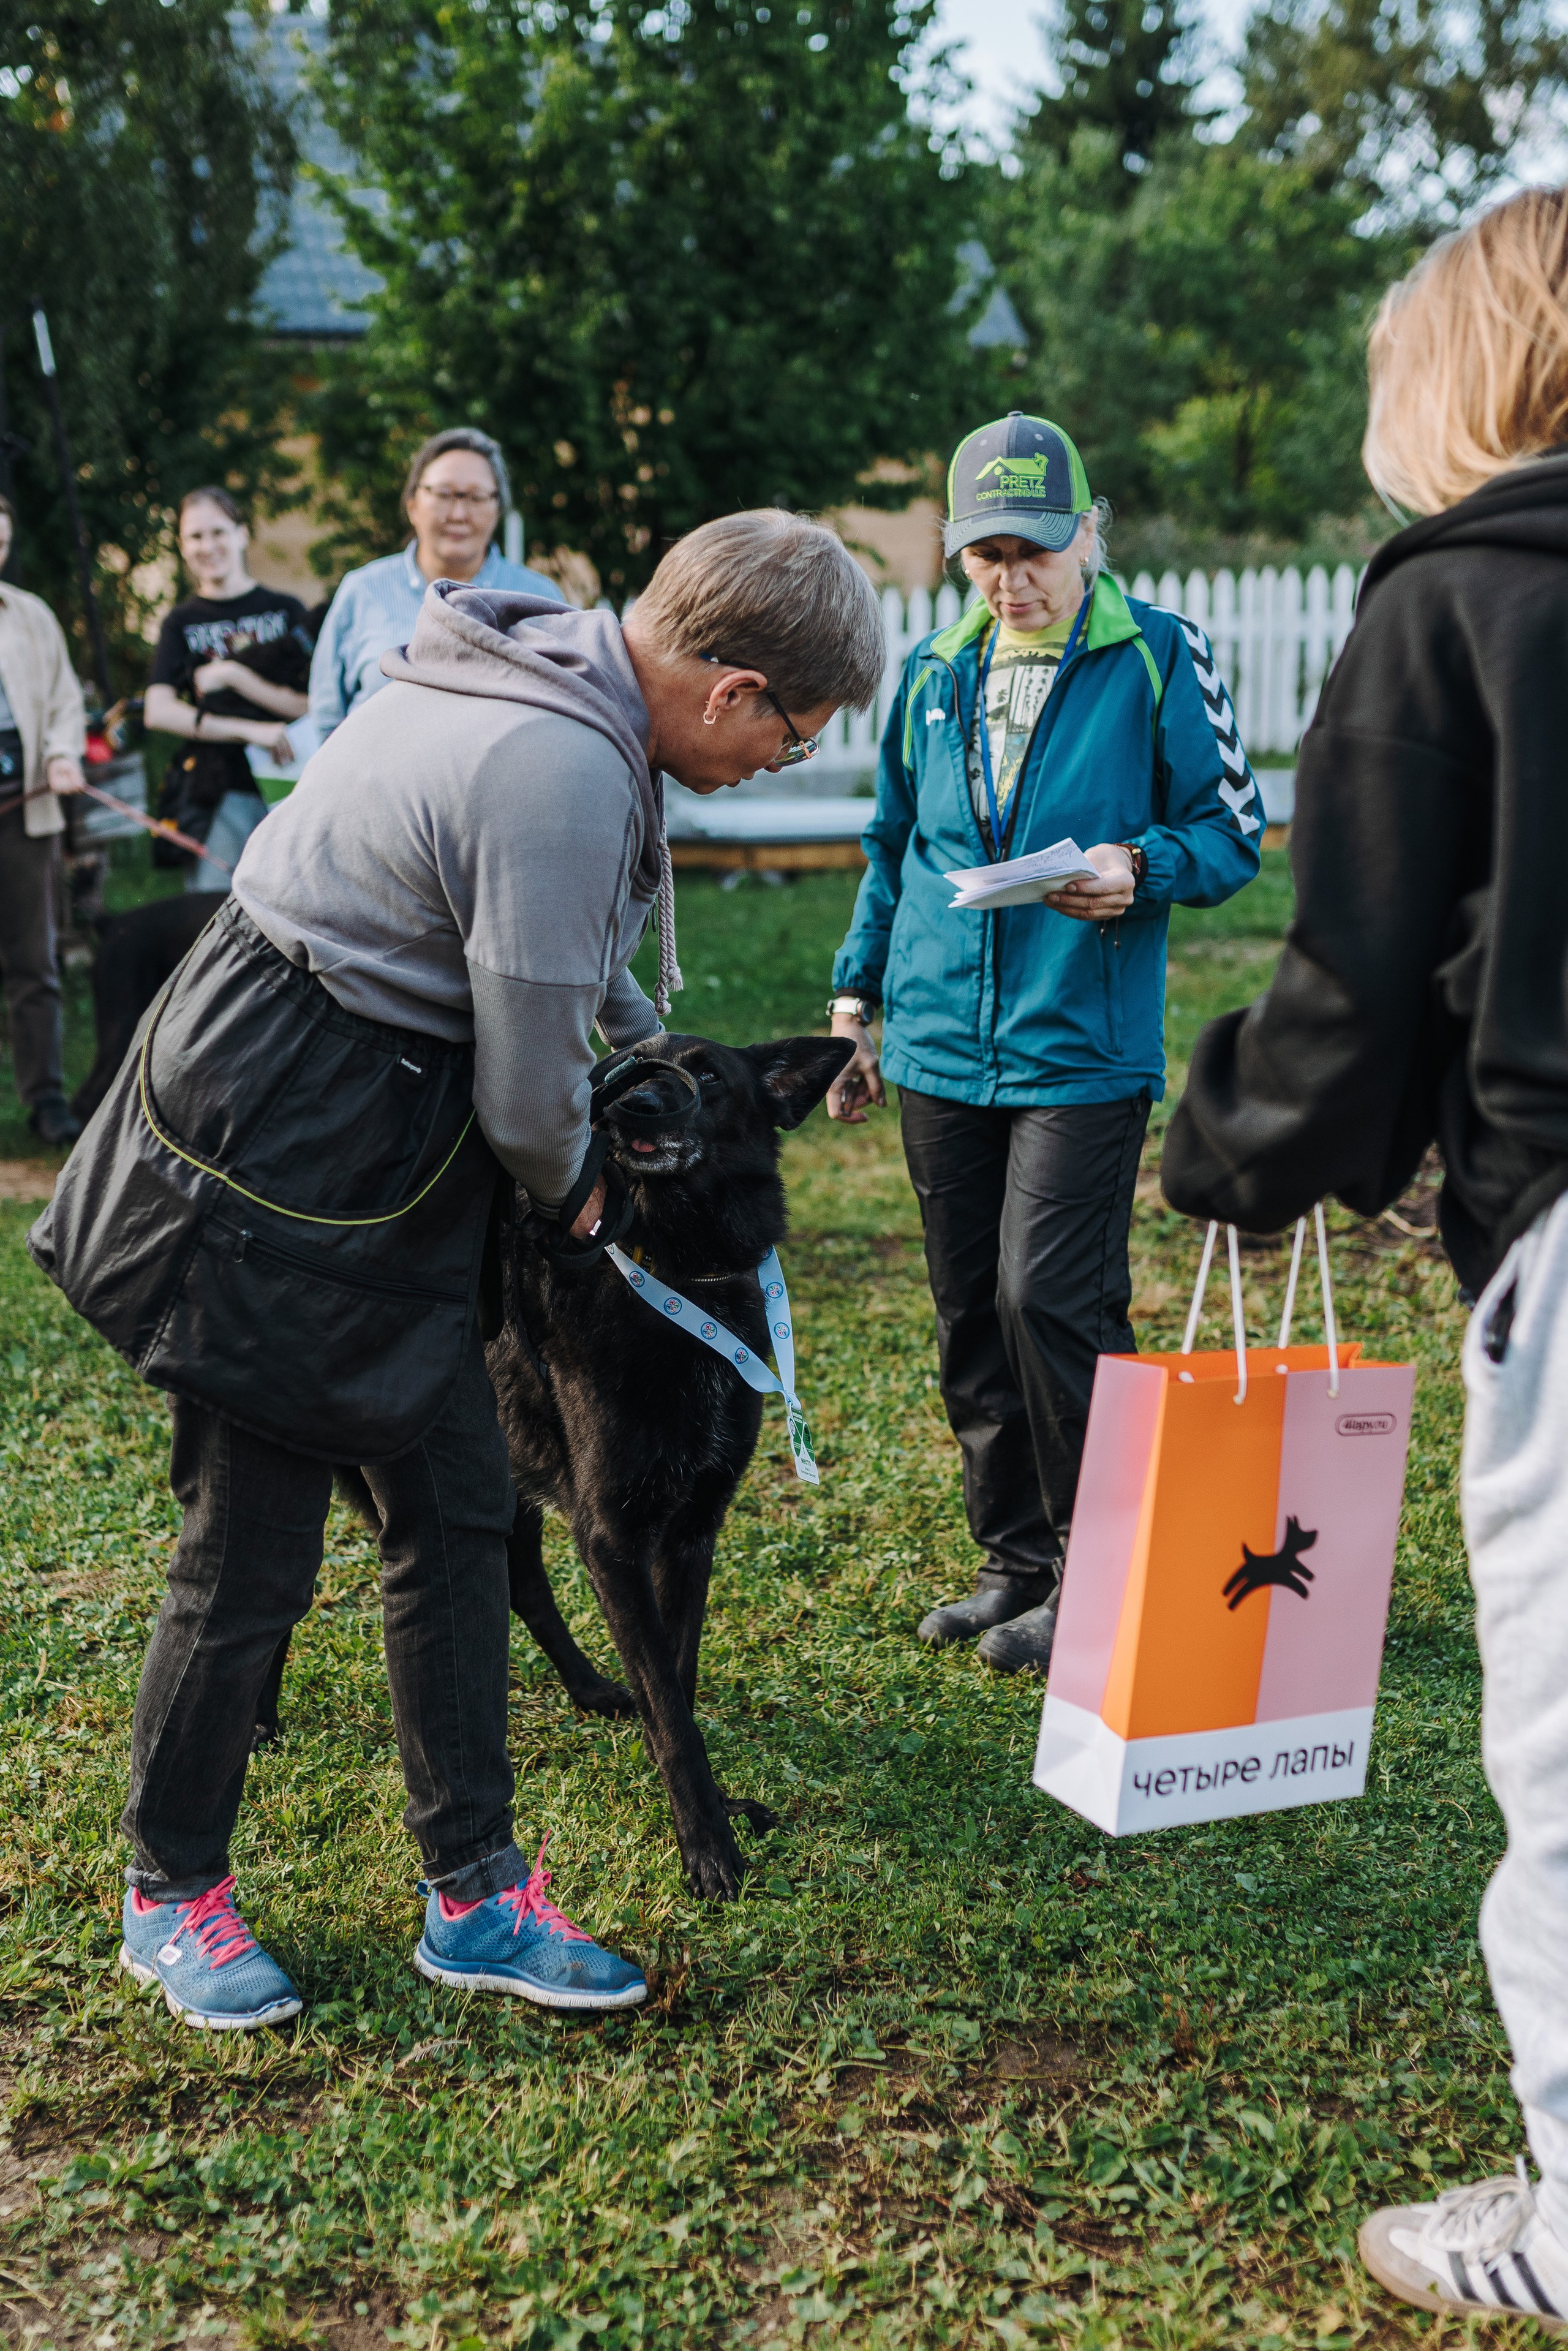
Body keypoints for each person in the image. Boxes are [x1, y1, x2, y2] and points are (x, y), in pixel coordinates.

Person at [29, 510, 884, 2031]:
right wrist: (588, 1206)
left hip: (381, 1158)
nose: (781, 762)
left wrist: (643, 1051)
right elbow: (531, 1097)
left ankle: (475, 1887)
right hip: (289, 1153)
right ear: (733, 688)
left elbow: (566, 968)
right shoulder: (557, 764)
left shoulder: (565, 692)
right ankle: (170, 1893)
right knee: (252, 1545)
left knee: (461, 1509)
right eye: (791, 735)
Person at [1161, 187, 1568, 2332]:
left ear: (1464, 374)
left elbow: (1351, 992)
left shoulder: (1465, 595)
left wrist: (1224, 1152)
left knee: (1566, 1749)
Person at [826, 411, 1261, 1677]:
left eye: (1033, 552)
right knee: (970, 1308)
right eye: (986, 556)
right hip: (938, 1046)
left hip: (1080, 1044)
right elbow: (892, 847)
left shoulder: (1159, 654)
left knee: (1050, 1297)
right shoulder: (932, 669)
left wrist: (1141, 864)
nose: (1011, 580)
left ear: (1088, 532)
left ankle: (1102, 1572)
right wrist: (854, 1006)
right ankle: (1013, 1560)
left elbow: (1231, 830)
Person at [309, 427, 561, 740]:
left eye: (477, 497)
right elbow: (327, 718)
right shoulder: (363, 590)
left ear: (497, 510)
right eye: (443, 494)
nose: (459, 514)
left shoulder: (539, 598)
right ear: (413, 506)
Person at [144, 489, 308, 893]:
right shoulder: (181, 622)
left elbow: (313, 704)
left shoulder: (286, 610)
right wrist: (251, 731)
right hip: (219, 796)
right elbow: (158, 711)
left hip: (294, 787)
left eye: (218, 532)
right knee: (216, 908)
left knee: (299, 904)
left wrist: (235, 676)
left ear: (242, 534)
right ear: (182, 546)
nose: (208, 546)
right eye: (195, 537)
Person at [0, 494, 87, 1147]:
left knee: (35, 960)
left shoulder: (31, 616)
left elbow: (65, 701)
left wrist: (61, 754)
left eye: (0, 544)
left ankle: (47, 1098)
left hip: (25, 811)